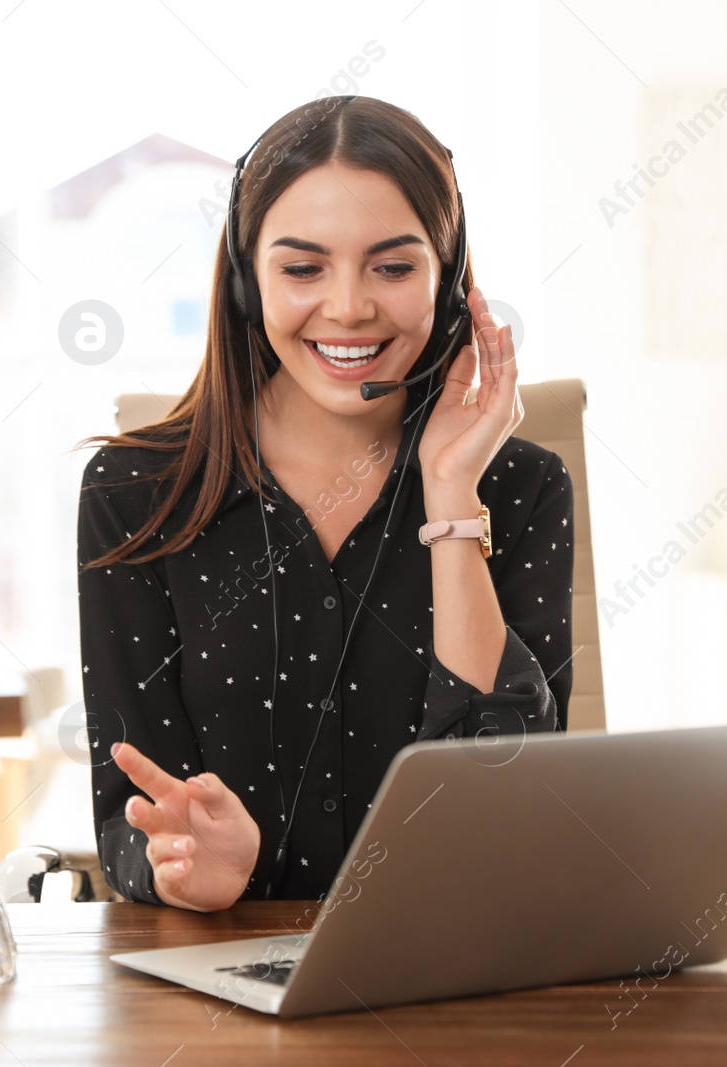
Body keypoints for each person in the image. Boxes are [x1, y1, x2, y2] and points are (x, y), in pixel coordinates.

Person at [75, 95, 575, 911]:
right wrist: (193, 872)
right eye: (303, 267)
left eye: (394, 266)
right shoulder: (134, 497)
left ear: (448, 285)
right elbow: (127, 822)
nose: (348, 307)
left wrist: (450, 496)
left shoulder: (520, 488)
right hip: (224, 988)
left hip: (450, 971)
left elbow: (511, 802)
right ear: (245, 282)